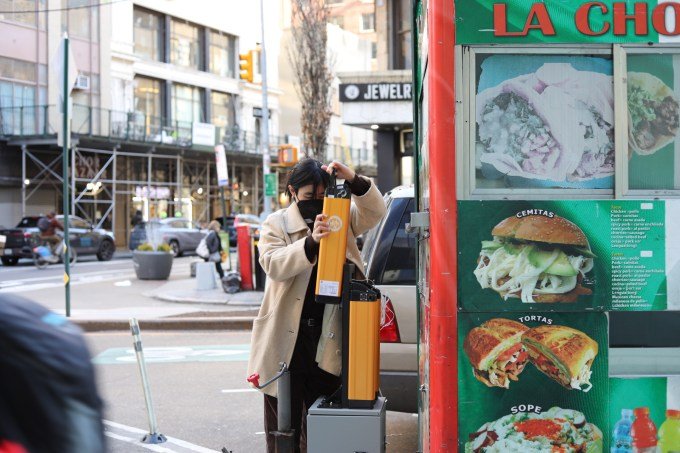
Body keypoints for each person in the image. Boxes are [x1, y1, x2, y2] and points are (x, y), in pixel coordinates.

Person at [247, 159, 386, 452]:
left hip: (328, 336)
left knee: (322, 422)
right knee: (282, 427)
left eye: (322, 195)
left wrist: (353, 179)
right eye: (310, 196)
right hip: (286, 340)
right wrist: (311, 242)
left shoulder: (340, 217)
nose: (317, 203)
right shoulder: (277, 223)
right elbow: (272, 264)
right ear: (293, 192)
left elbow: (375, 211)